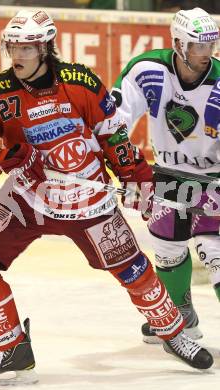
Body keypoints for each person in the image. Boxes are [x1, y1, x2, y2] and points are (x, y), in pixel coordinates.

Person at [0, 9, 213, 386]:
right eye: (13, 47)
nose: (18, 55)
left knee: (134, 272)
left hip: (88, 201)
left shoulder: (80, 82)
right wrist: (3, 158)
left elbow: (113, 134)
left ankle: (174, 335)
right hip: (26, 197)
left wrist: (136, 177)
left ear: (44, 47)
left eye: (26, 47)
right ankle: (13, 349)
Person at [112, 7, 220, 344]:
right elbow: (113, 124)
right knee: (167, 247)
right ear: (178, 44)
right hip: (167, 176)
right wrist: (129, 174)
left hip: (215, 179)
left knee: (214, 251)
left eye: (212, 46)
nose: (208, 55)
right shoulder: (147, 70)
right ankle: (180, 316)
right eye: (199, 47)